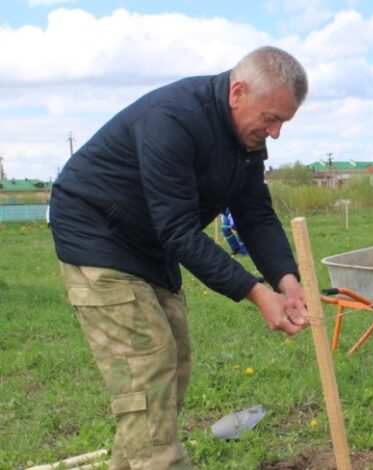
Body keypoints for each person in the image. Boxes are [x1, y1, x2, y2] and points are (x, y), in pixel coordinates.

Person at [49, 46, 309, 469]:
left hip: (148, 246)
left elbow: (255, 213)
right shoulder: (174, 118)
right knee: (148, 370)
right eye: (271, 118)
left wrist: (287, 280)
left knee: (173, 366)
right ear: (237, 92)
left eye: (284, 121)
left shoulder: (245, 138)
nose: (276, 132)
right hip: (98, 235)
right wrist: (257, 294)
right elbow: (178, 230)